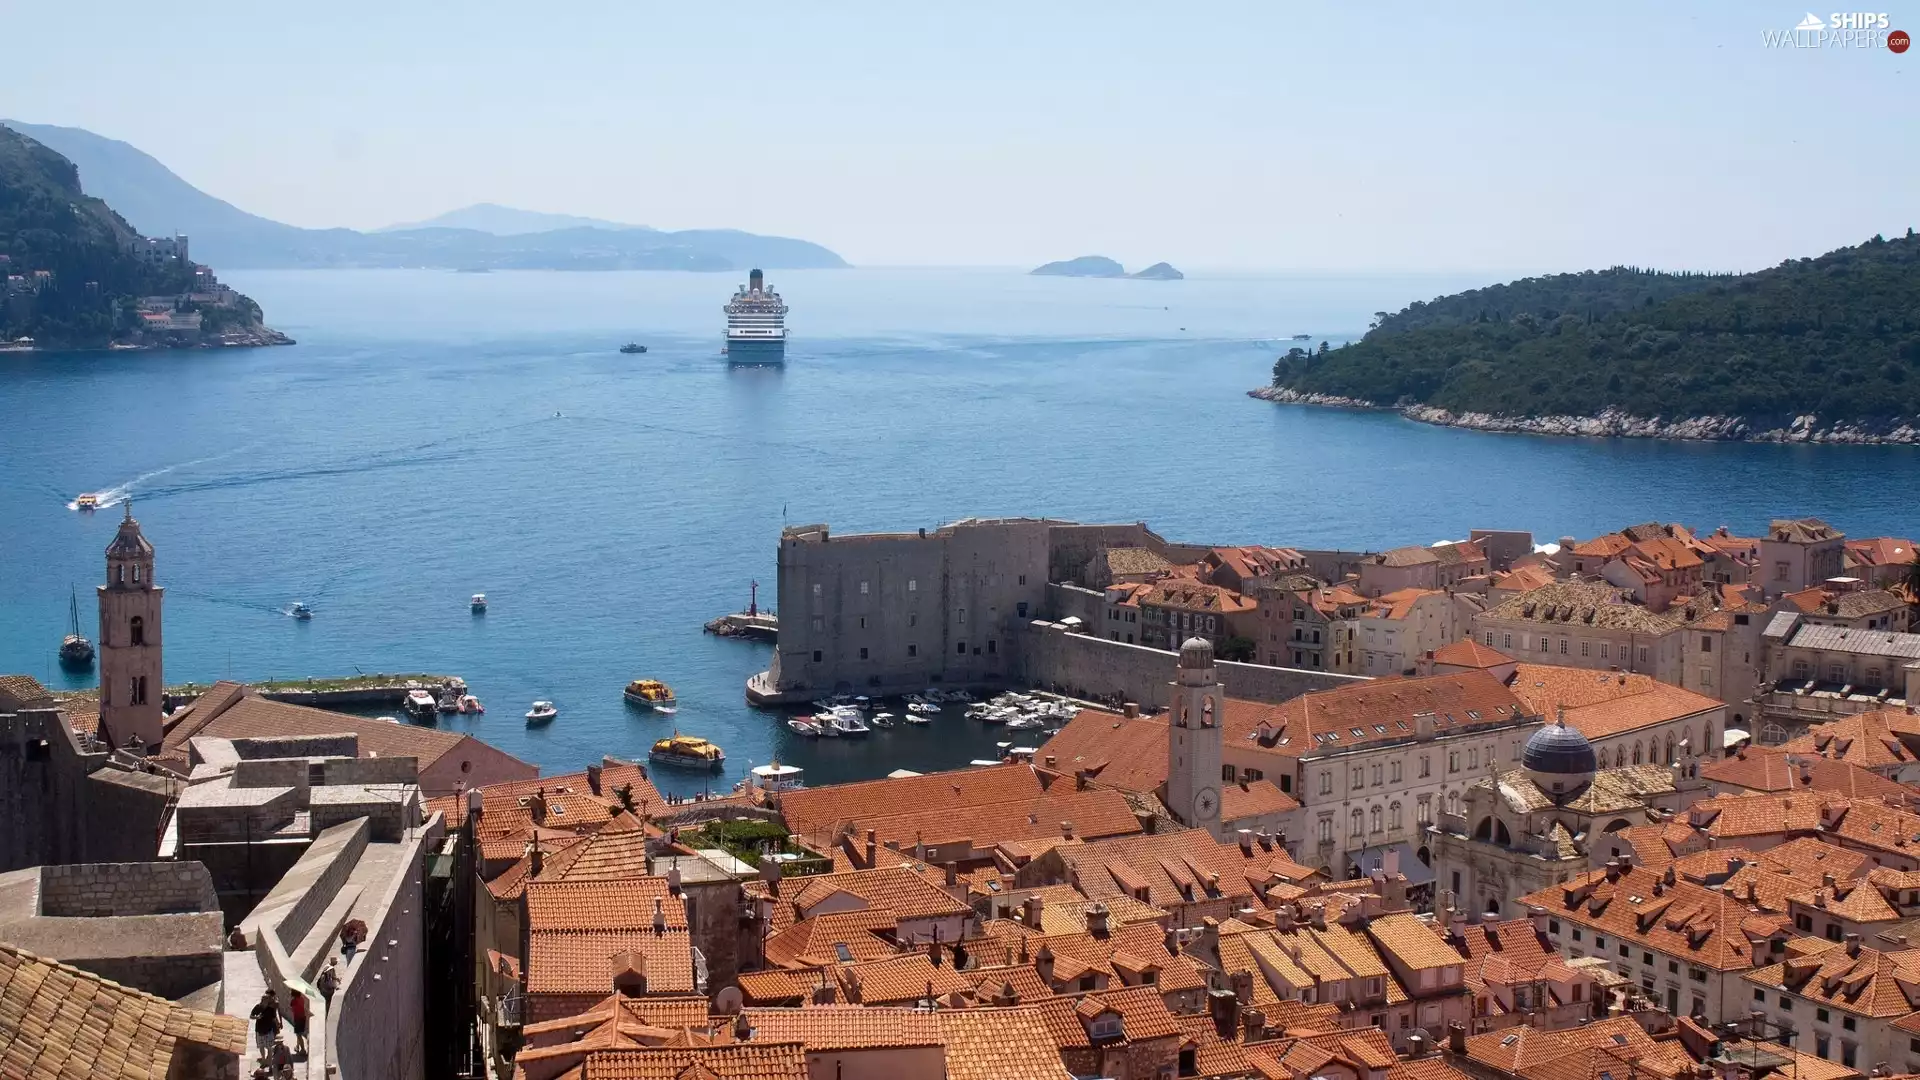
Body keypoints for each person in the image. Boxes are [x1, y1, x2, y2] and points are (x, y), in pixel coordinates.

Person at [248, 989, 280, 1062]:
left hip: (268, 1030)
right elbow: (251, 1016)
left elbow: (274, 1017)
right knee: (261, 1046)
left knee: (269, 1047)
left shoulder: (270, 1009)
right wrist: (257, 1017)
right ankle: (263, 1059)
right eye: (265, 999)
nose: (267, 1001)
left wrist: (278, 1025)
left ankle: (269, 1062)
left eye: (268, 1000)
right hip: (259, 1030)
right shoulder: (258, 1007)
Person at [287, 988, 309, 1056]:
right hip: (303, 1017)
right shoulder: (301, 998)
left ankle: (303, 1050)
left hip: (297, 1018)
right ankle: (297, 1046)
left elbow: (292, 1009)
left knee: (298, 1034)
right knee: (299, 1033)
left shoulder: (293, 1001)